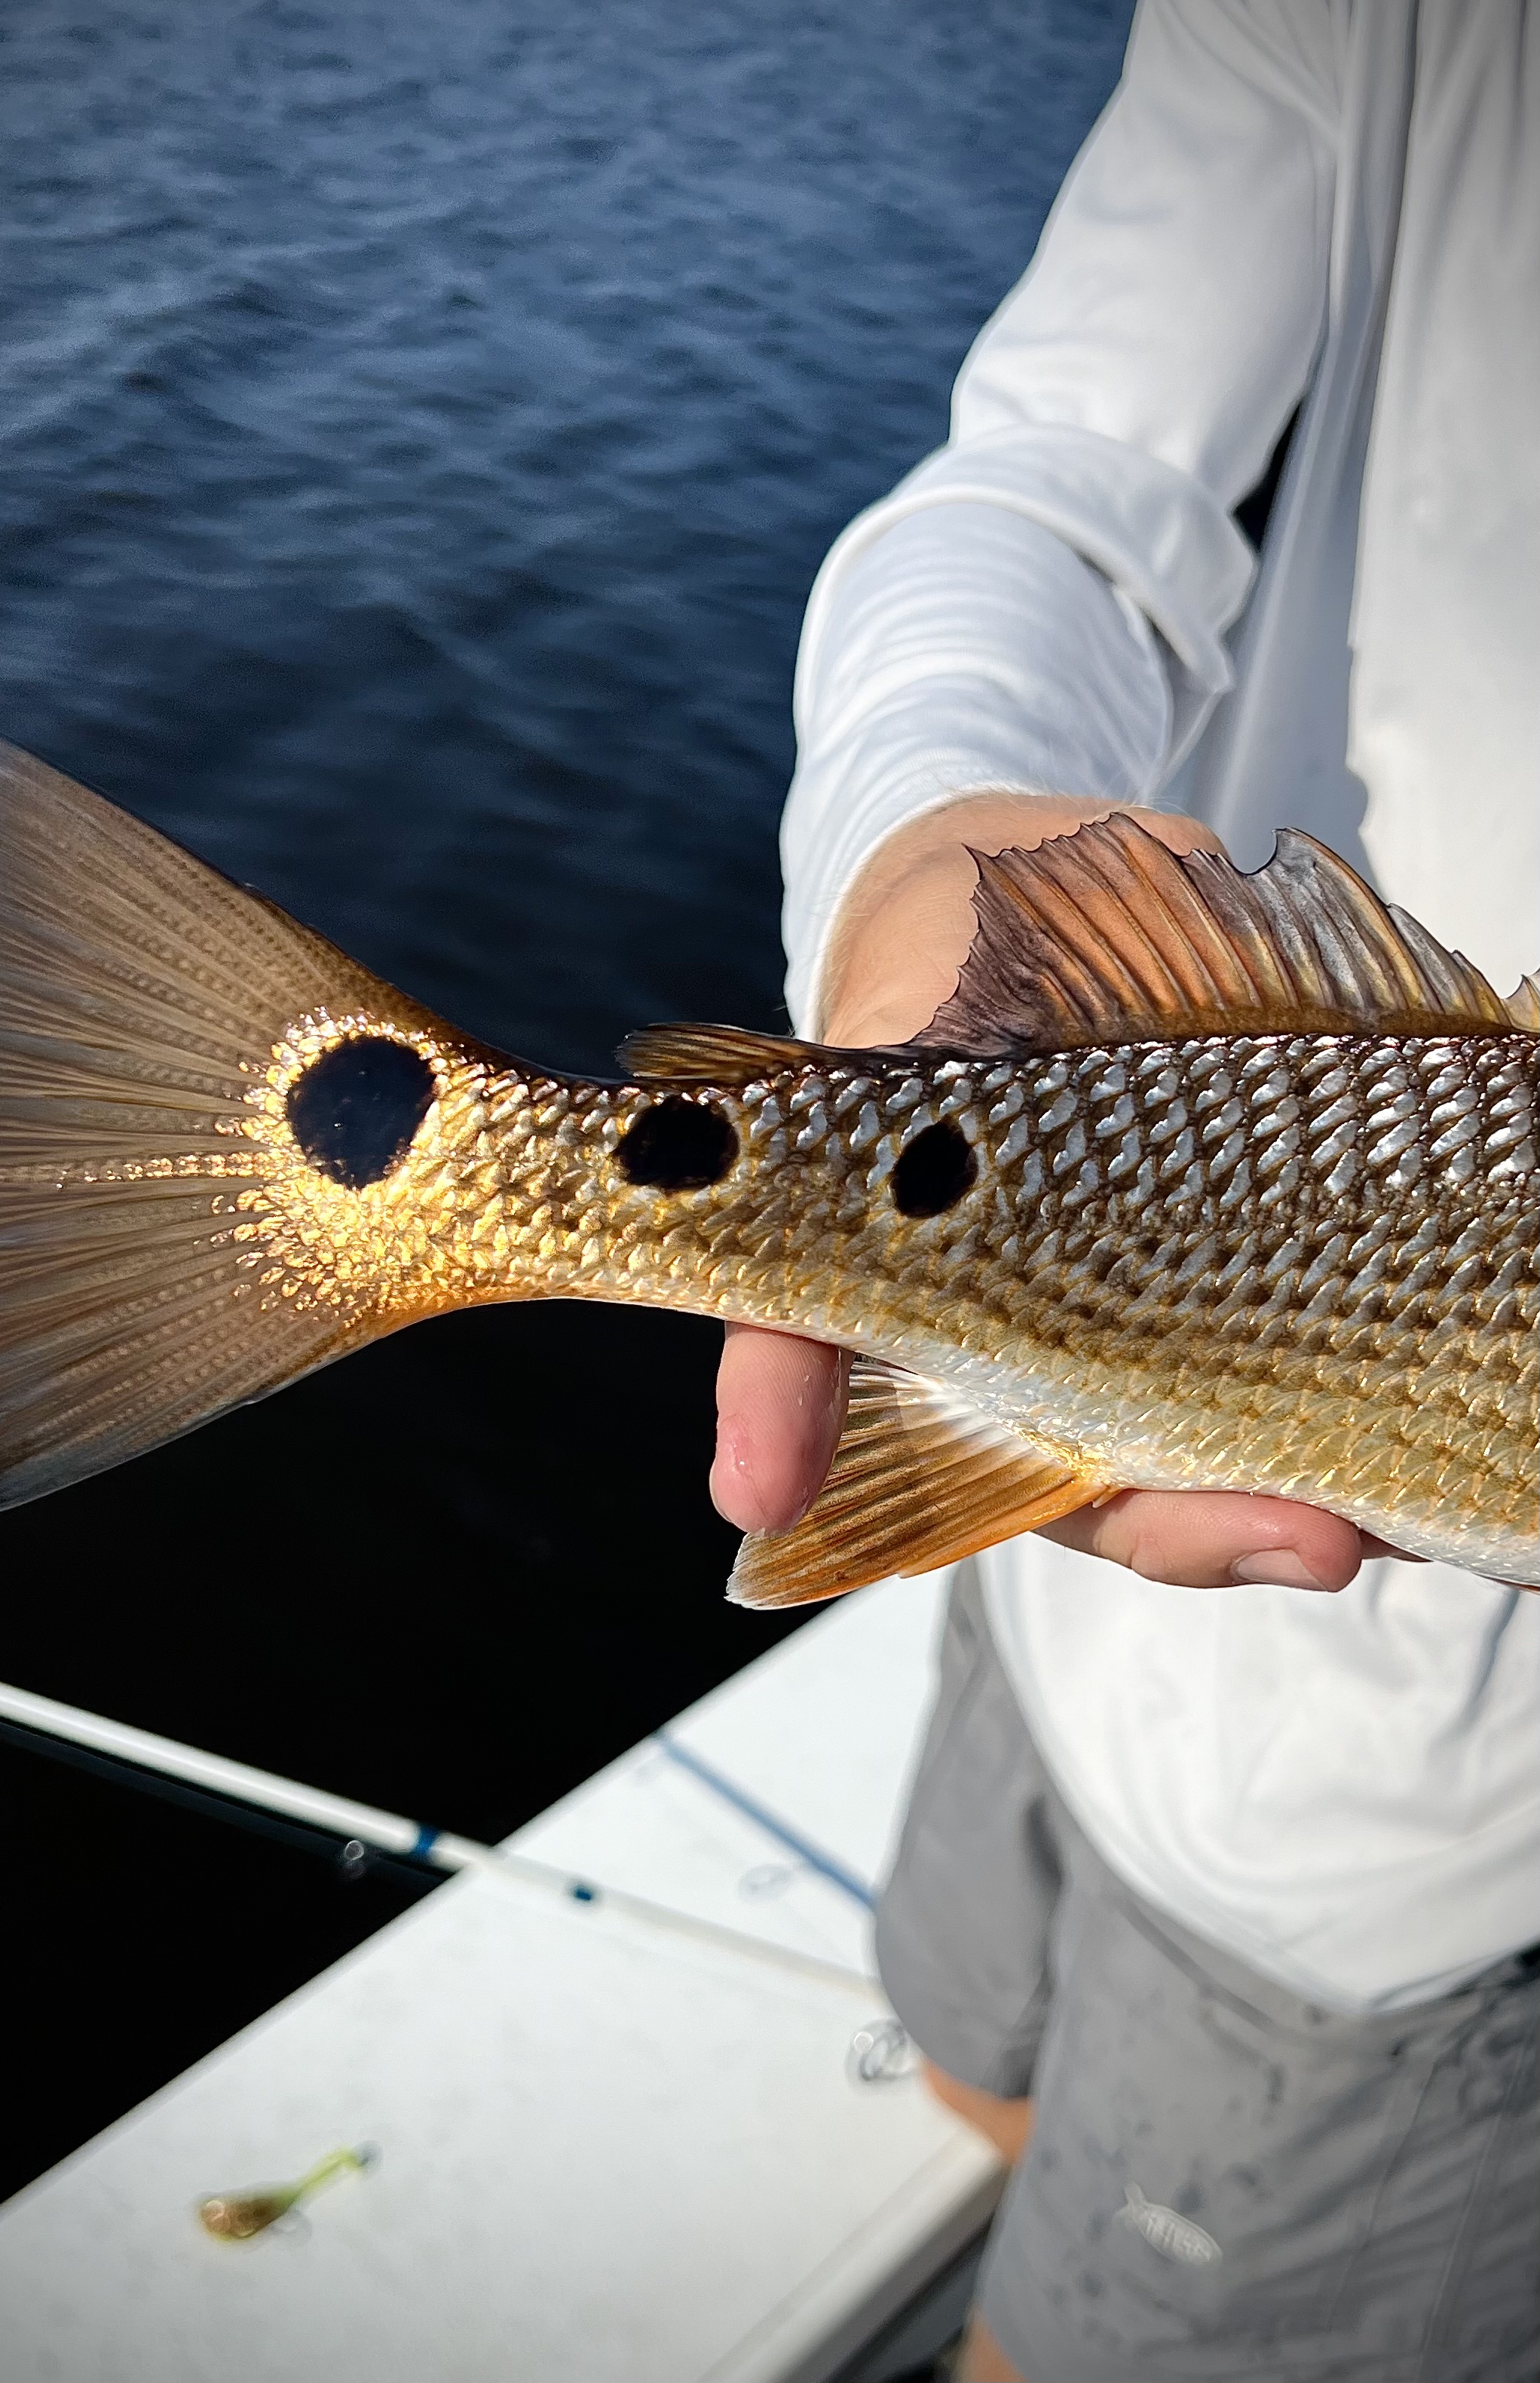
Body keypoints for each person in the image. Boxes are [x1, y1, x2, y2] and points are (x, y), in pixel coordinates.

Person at [713, 8, 1539, 2378]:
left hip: (1392, 1838)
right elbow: (1064, 461)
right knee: (973, 2051)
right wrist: (916, 844)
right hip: (1030, 1484)